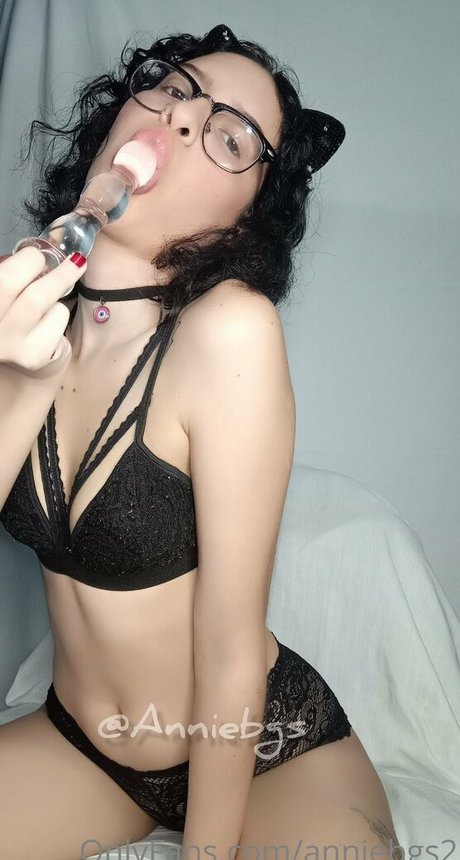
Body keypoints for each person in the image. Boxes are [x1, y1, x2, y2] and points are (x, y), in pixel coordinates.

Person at [0, 23, 402, 860]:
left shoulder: (229, 332)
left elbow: (229, 648)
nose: (181, 116)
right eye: (174, 88)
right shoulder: (30, 319)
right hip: (87, 747)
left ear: (244, 219)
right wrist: (20, 377)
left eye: (230, 137)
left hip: (266, 752)